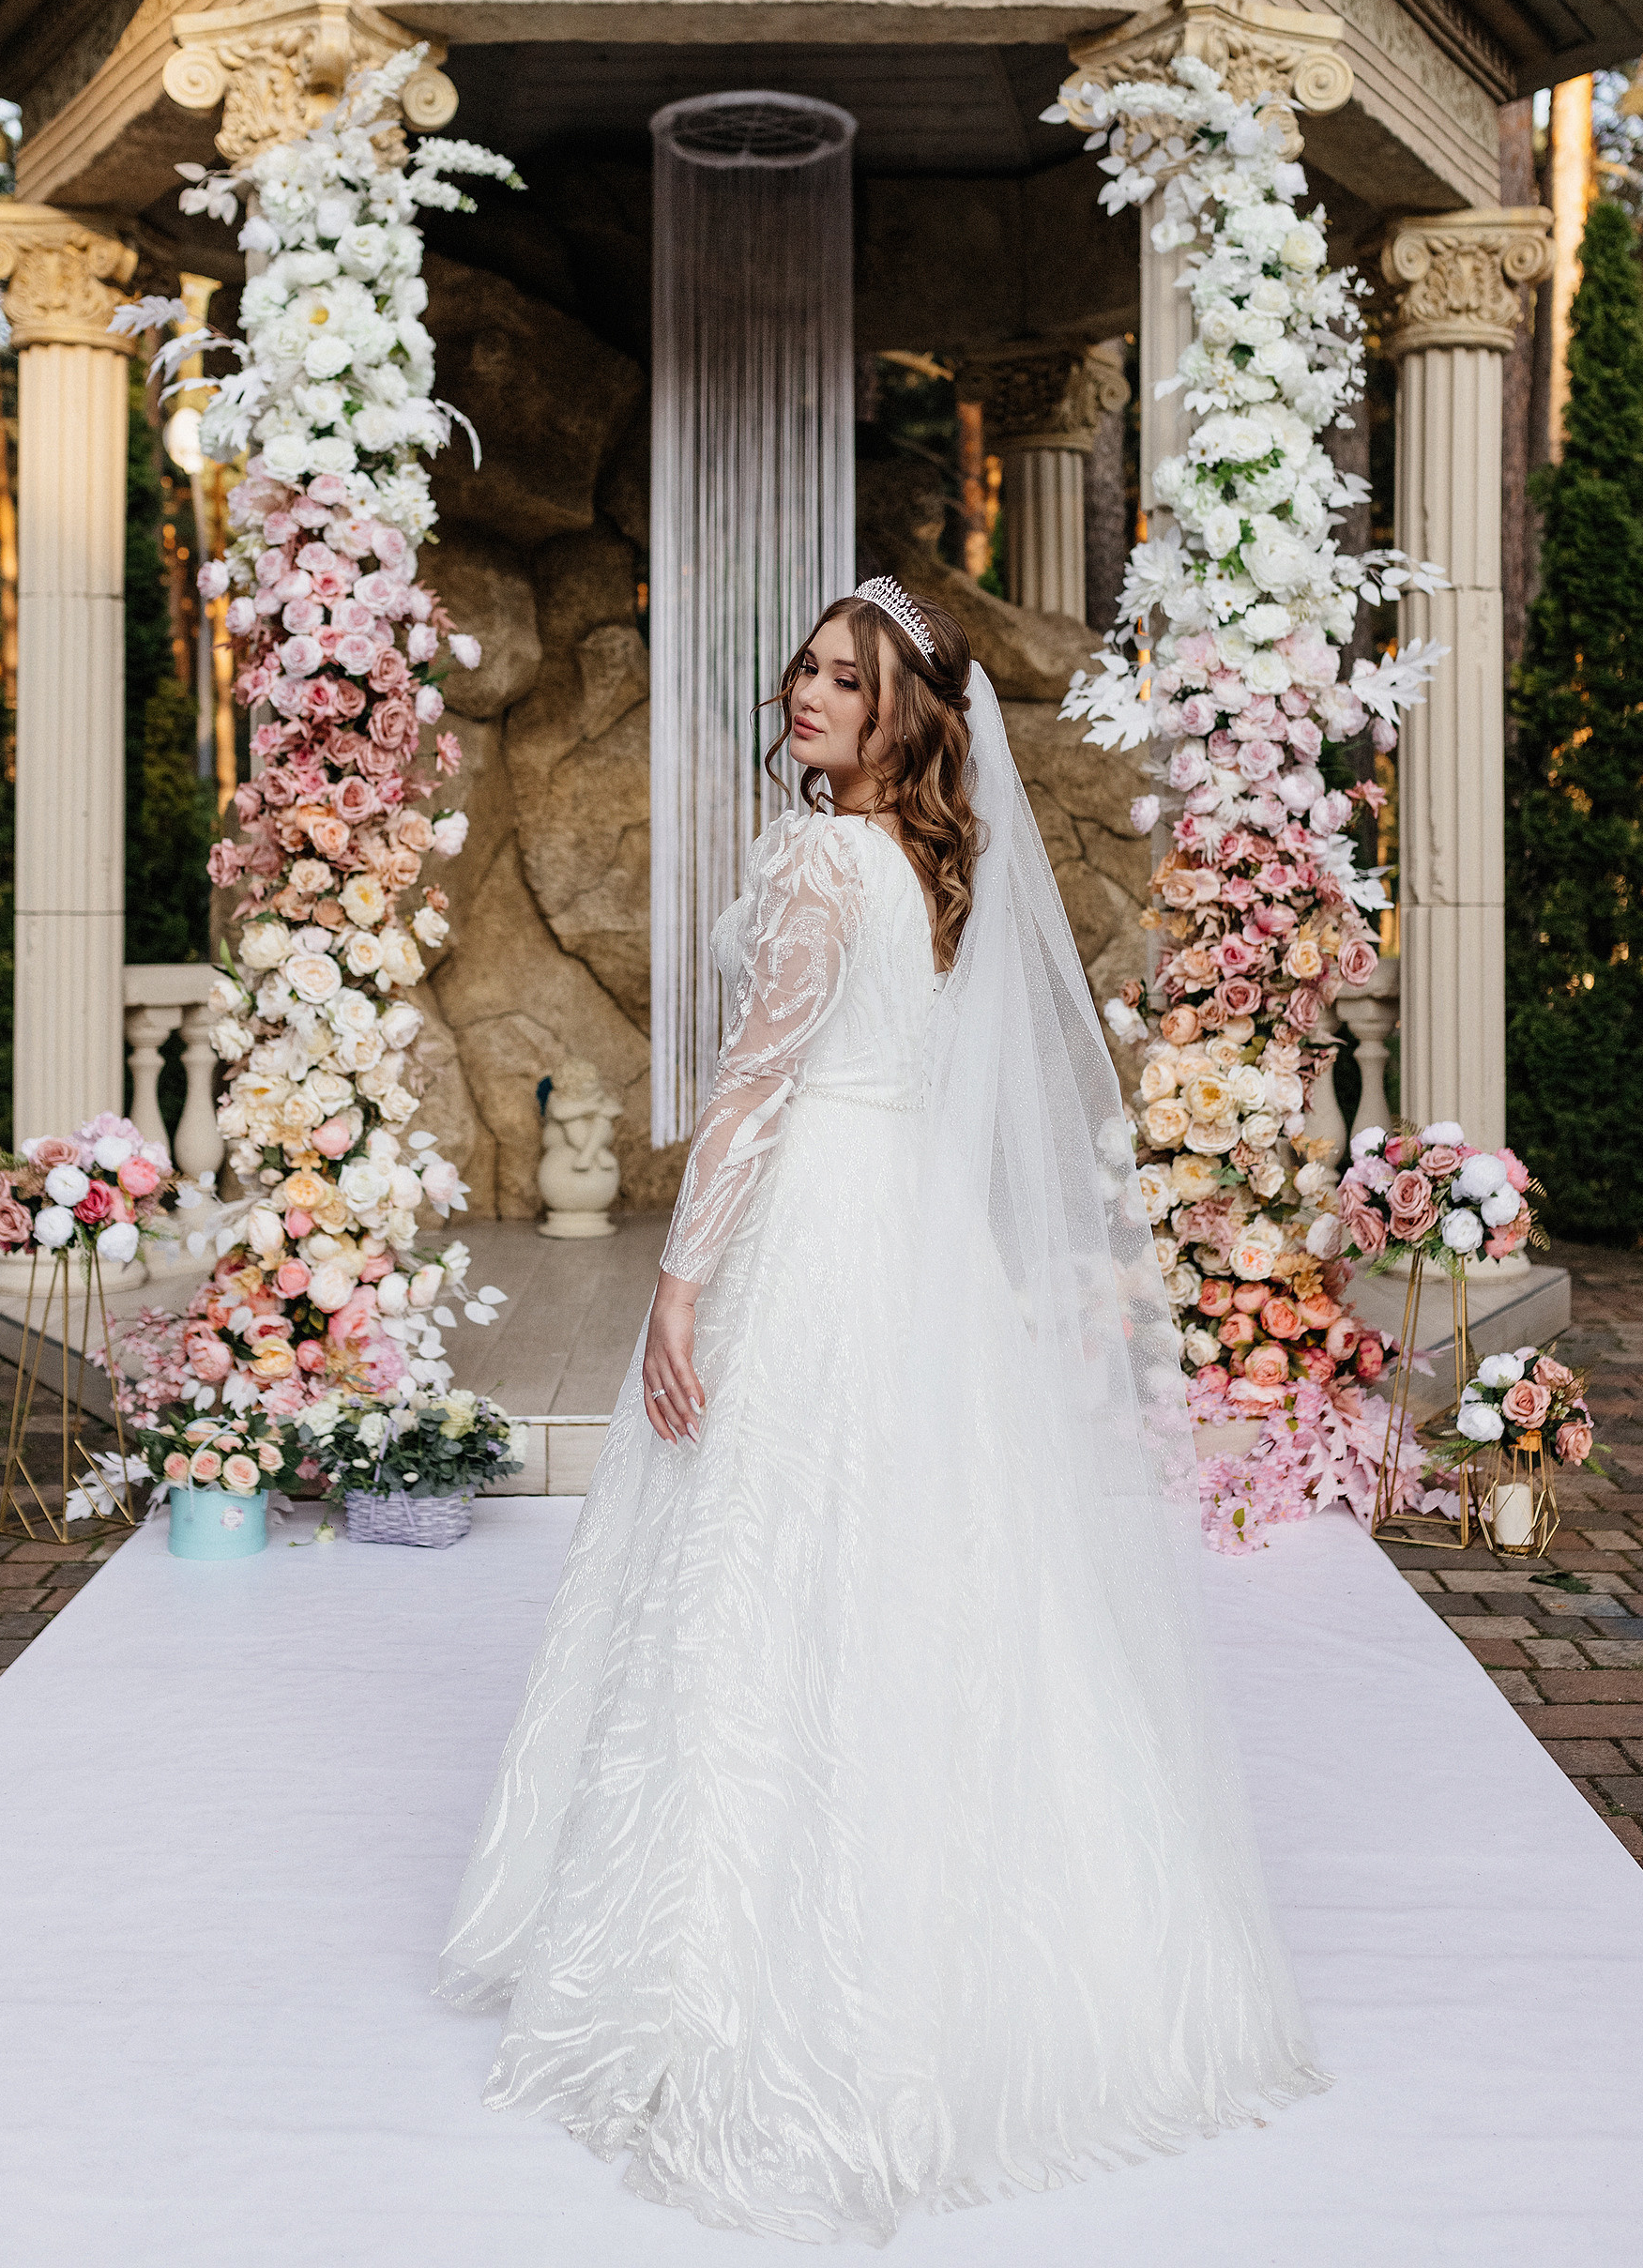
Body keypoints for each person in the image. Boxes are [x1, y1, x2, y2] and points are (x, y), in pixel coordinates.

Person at [440, 576, 1325, 2241]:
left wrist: (685, 1284)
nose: (808, 692)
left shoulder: (817, 857)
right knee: (932, 1559)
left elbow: (757, 1090)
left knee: (773, 1550)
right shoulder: (930, 864)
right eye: (806, 666)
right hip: (912, 1229)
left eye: (846, 679)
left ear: (900, 715)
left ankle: (747, 1959)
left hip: (819, 1231)